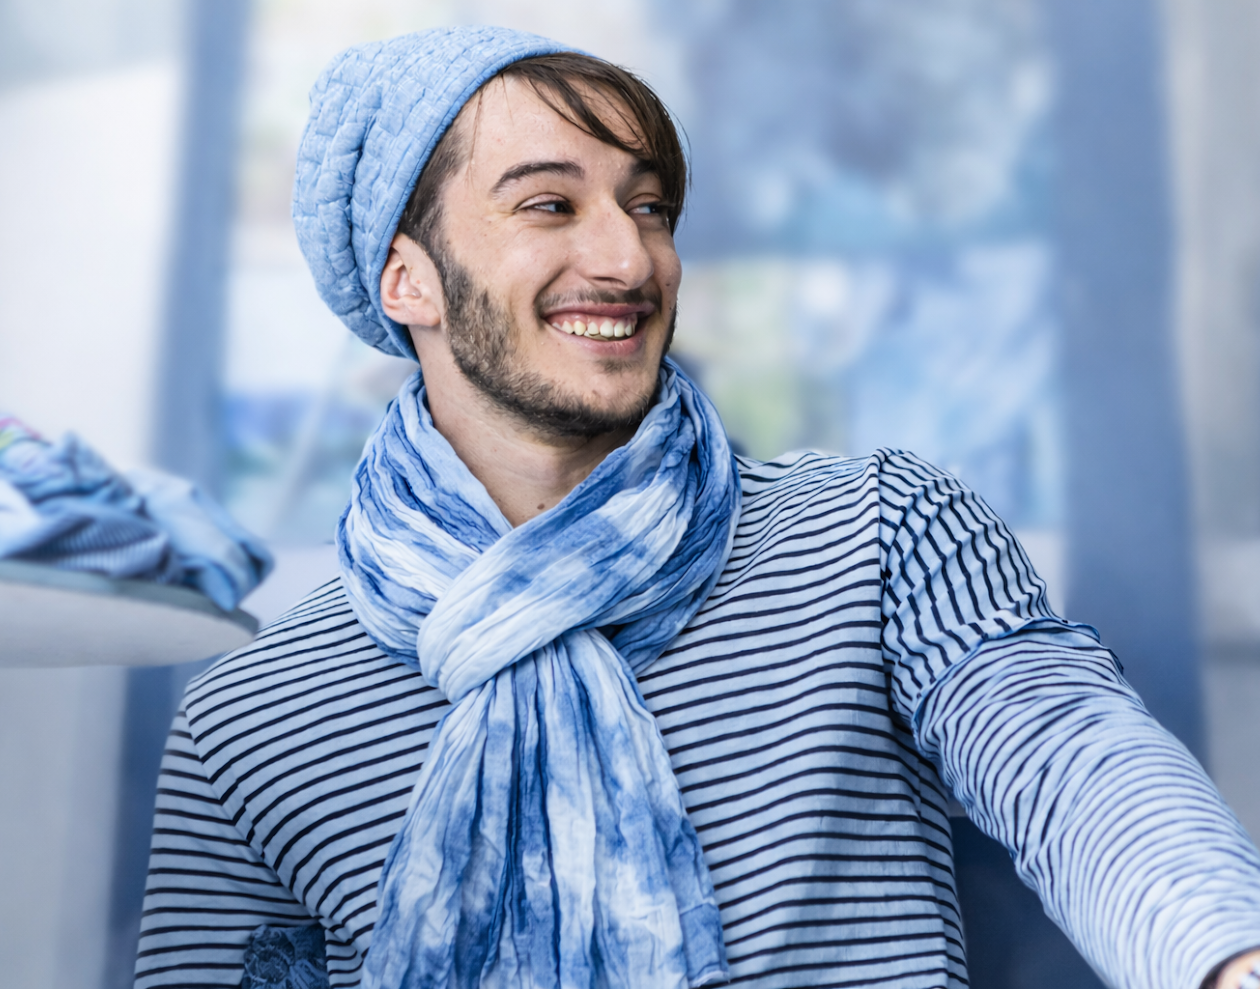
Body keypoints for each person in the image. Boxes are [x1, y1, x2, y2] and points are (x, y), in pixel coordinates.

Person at [135, 25, 1260, 989]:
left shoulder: (877, 534)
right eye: (550, 205)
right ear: (406, 279)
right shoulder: (252, 719)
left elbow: (1072, 759)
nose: (627, 256)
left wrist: (1227, 954)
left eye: (649, 206)